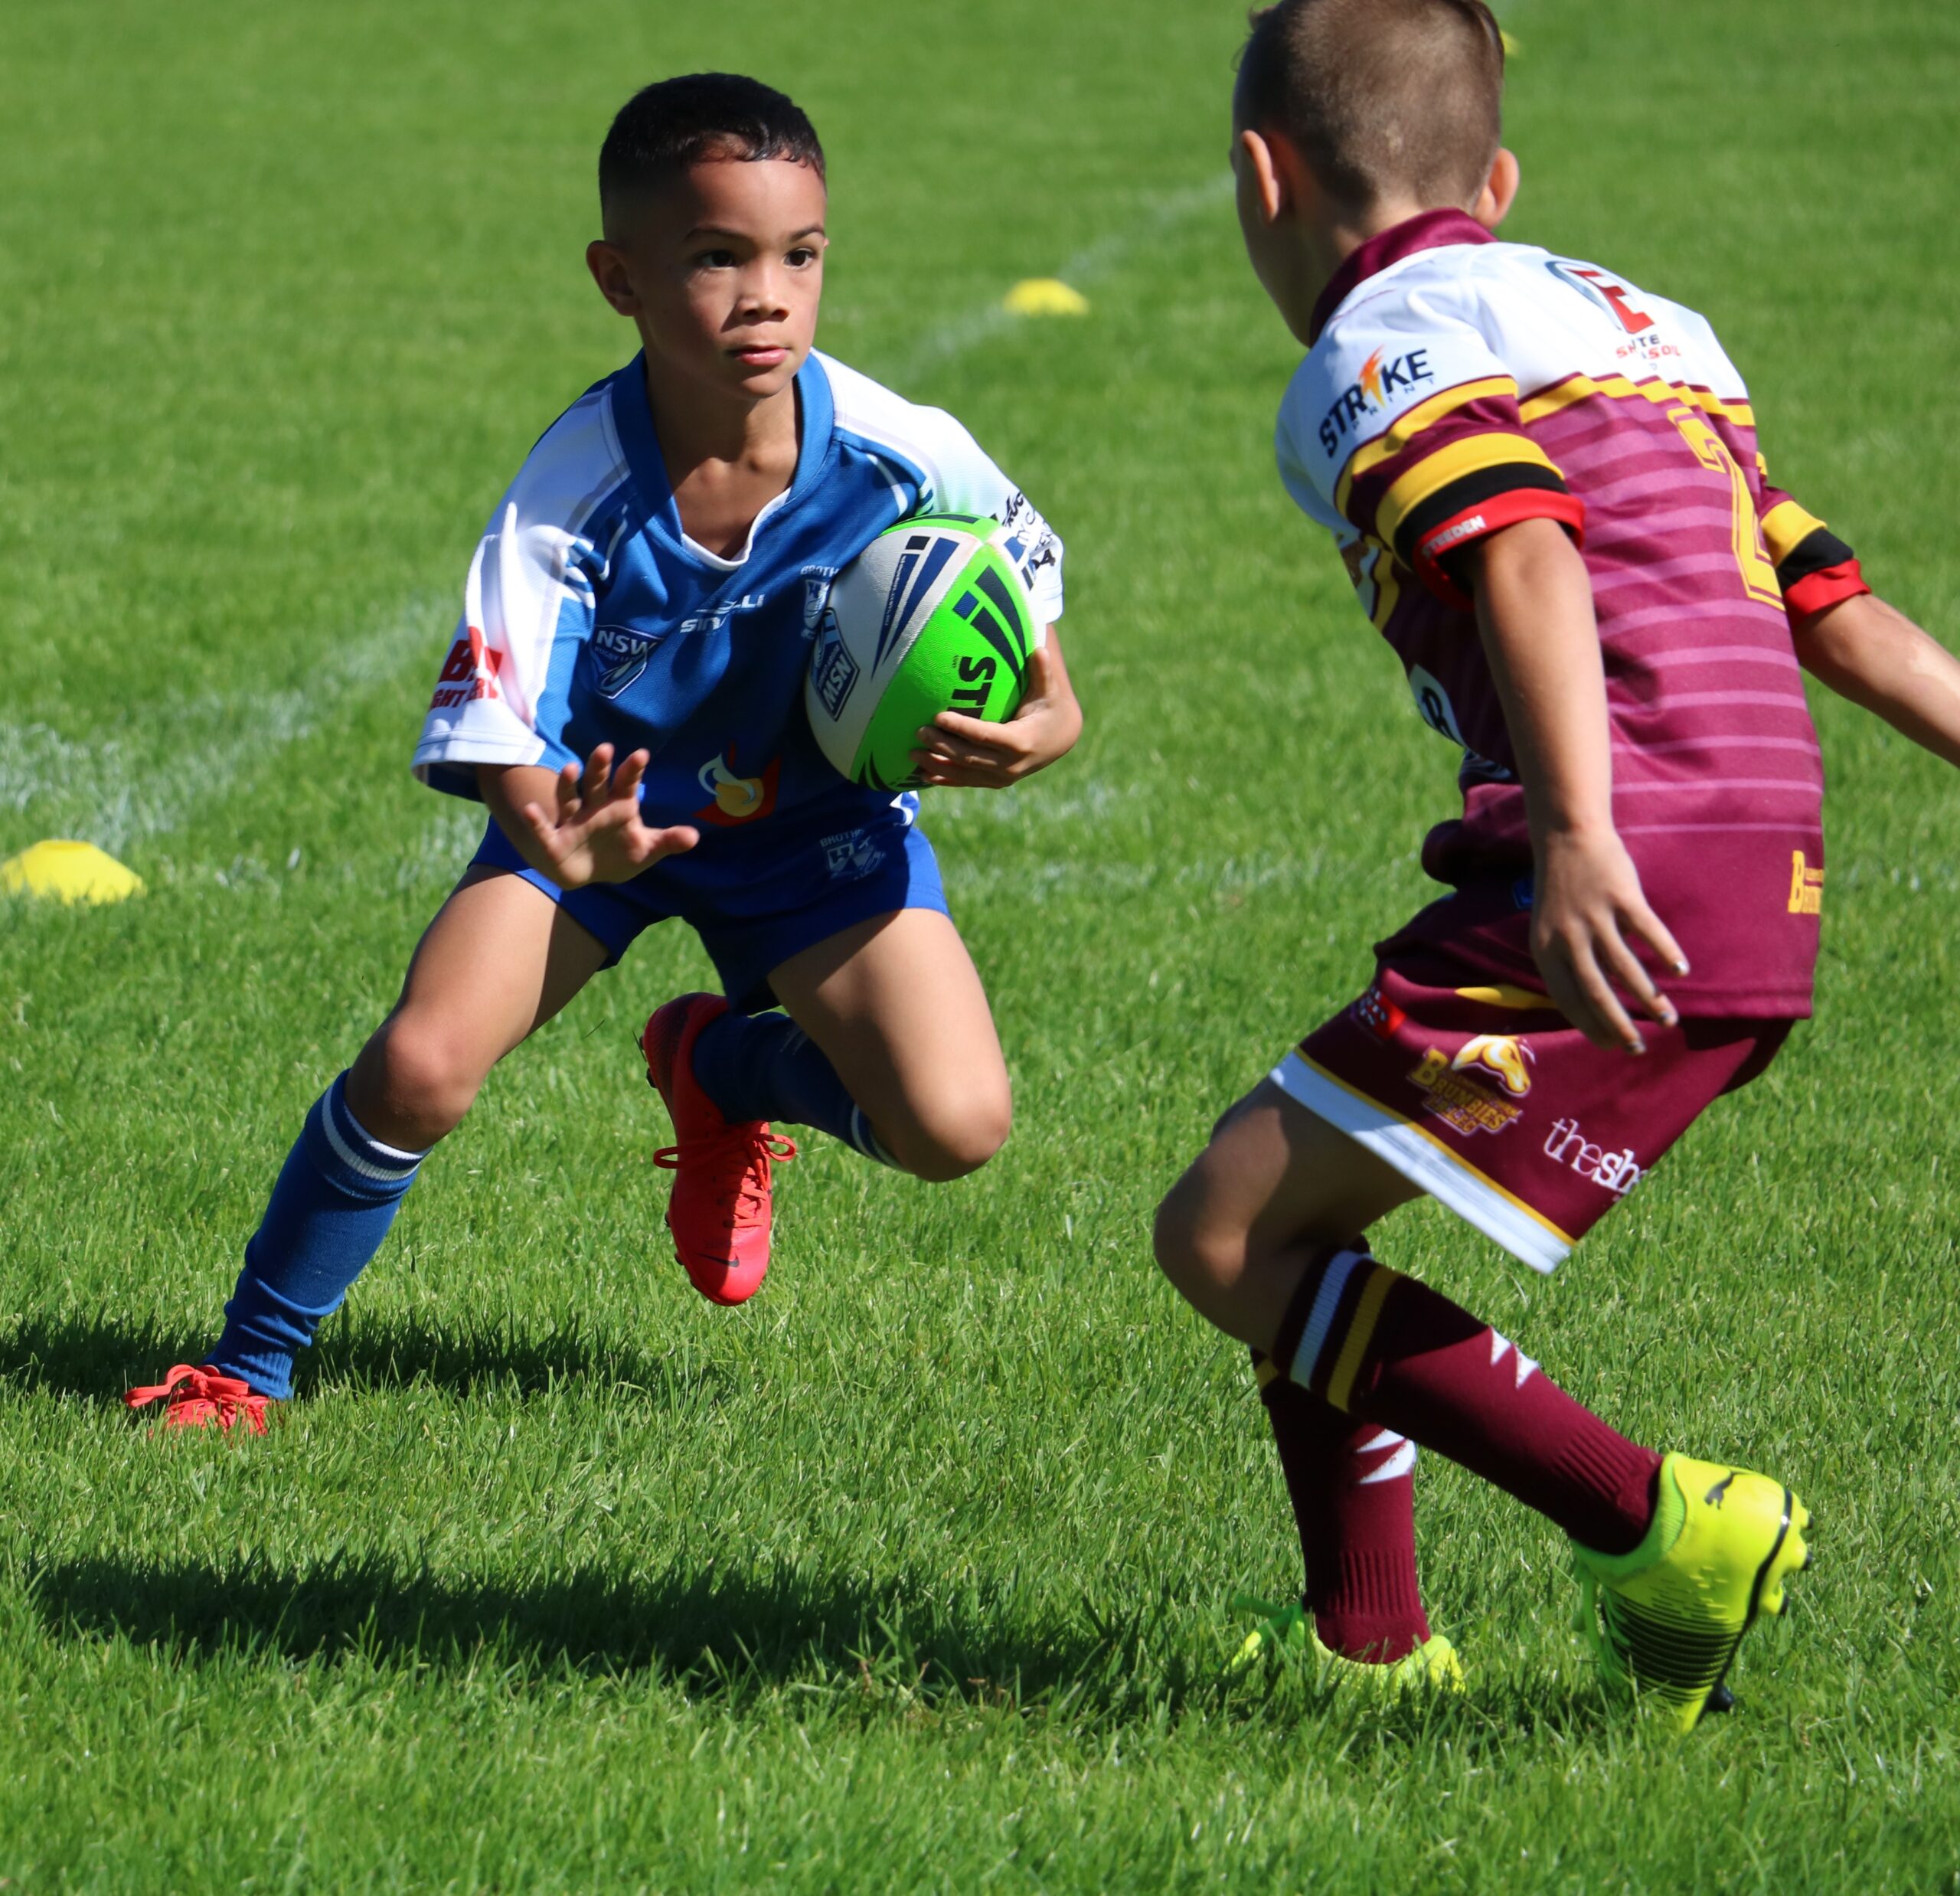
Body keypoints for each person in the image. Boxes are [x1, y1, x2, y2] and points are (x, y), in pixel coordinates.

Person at [1153, 0, 1960, 1730]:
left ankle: (1658, 1522)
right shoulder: (1647, 325)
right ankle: (1365, 1640)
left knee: (1223, 1237)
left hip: (1620, 860)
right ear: (1495, 179)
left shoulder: (1378, 343)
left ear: (1257, 176)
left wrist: (1581, 836)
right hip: (1767, 866)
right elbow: (1835, 607)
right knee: (1306, 1203)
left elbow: (1519, 541)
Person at [126, 72, 1079, 1435]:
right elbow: (499, 714)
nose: (769, 295)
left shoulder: (899, 448)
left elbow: (1024, 597)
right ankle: (243, 1368)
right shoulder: (572, 487)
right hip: (594, 823)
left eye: (800, 256)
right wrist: (556, 830)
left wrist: (1054, 717)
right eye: (716, 257)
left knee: (955, 1126)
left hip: (812, 836)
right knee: (423, 1065)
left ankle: (726, 1068)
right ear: (618, 279)